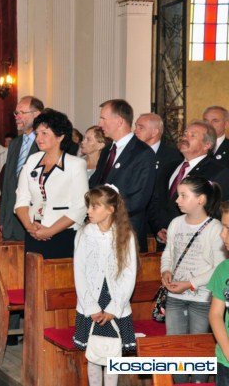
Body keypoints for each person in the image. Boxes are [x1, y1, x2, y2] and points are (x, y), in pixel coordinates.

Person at [161, 176, 224, 384]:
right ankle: (179, 382)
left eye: (183, 195)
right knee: (176, 346)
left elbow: (218, 267)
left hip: (202, 299)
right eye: (178, 195)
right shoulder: (176, 223)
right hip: (175, 297)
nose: (177, 200)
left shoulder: (215, 228)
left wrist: (190, 283)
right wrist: (165, 270)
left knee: (199, 348)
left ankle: (199, 382)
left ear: (201, 199)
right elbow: (168, 252)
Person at [73, 185, 138, 386]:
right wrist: (91, 306)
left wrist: (114, 308)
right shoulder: (84, 233)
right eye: (89, 206)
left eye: (94, 207)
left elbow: (129, 274)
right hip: (91, 302)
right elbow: (79, 272)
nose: (89, 211)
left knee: (112, 354)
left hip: (115, 302)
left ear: (110, 209)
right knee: (93, 353)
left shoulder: (125, 235)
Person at [15, 109, 88, 259]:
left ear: (60, 136)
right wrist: (30, 227)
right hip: (33, 232)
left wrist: (50, 231)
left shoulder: (75, 164)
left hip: (63, 234)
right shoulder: (32, 160)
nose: (38, 138)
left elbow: (80, 207)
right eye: (37, 133)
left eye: (44, 133)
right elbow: (21, 199)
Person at [89, 99, 156, 252]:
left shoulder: (143, 153)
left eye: (103, 118)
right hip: (99, 230)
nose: (99, 124)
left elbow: (139, 199)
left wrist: (105, 213)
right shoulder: (107, 150)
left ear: (119, 121)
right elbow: (95, 184)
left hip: (125, 231)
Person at [151, 121, 229, 244]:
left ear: (207, 145)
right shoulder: (169, 167)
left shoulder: (218, 172)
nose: (185, 138)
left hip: (195, 242)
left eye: (192, 135)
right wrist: (159, 228)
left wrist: (185, 233)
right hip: (163, 241)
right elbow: (155, 200)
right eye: (185, 134)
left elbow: (216, 211)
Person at [0, 96, 44, 241]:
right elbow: (7, 183)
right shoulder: (14, 143)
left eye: (21, 113)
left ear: (36, 114)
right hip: (10, 221)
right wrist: (2, 218)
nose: (16, 117)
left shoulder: (44, 144)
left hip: (34, 221)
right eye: (16, 113)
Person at [134, 113, 184, 240]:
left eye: (141, 127)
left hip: (161, 224)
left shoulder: (174, 157)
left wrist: (160, 225)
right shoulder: (131, 154)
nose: (135, 131)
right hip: (135, 220)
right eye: (136, 126)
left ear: (155, 132)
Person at [207, 201, 229, 386]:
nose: (222, 234)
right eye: (223, 227)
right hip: (225, 362)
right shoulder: (223, 270)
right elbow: (215, 315)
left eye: (228, 228)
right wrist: (228, 352)